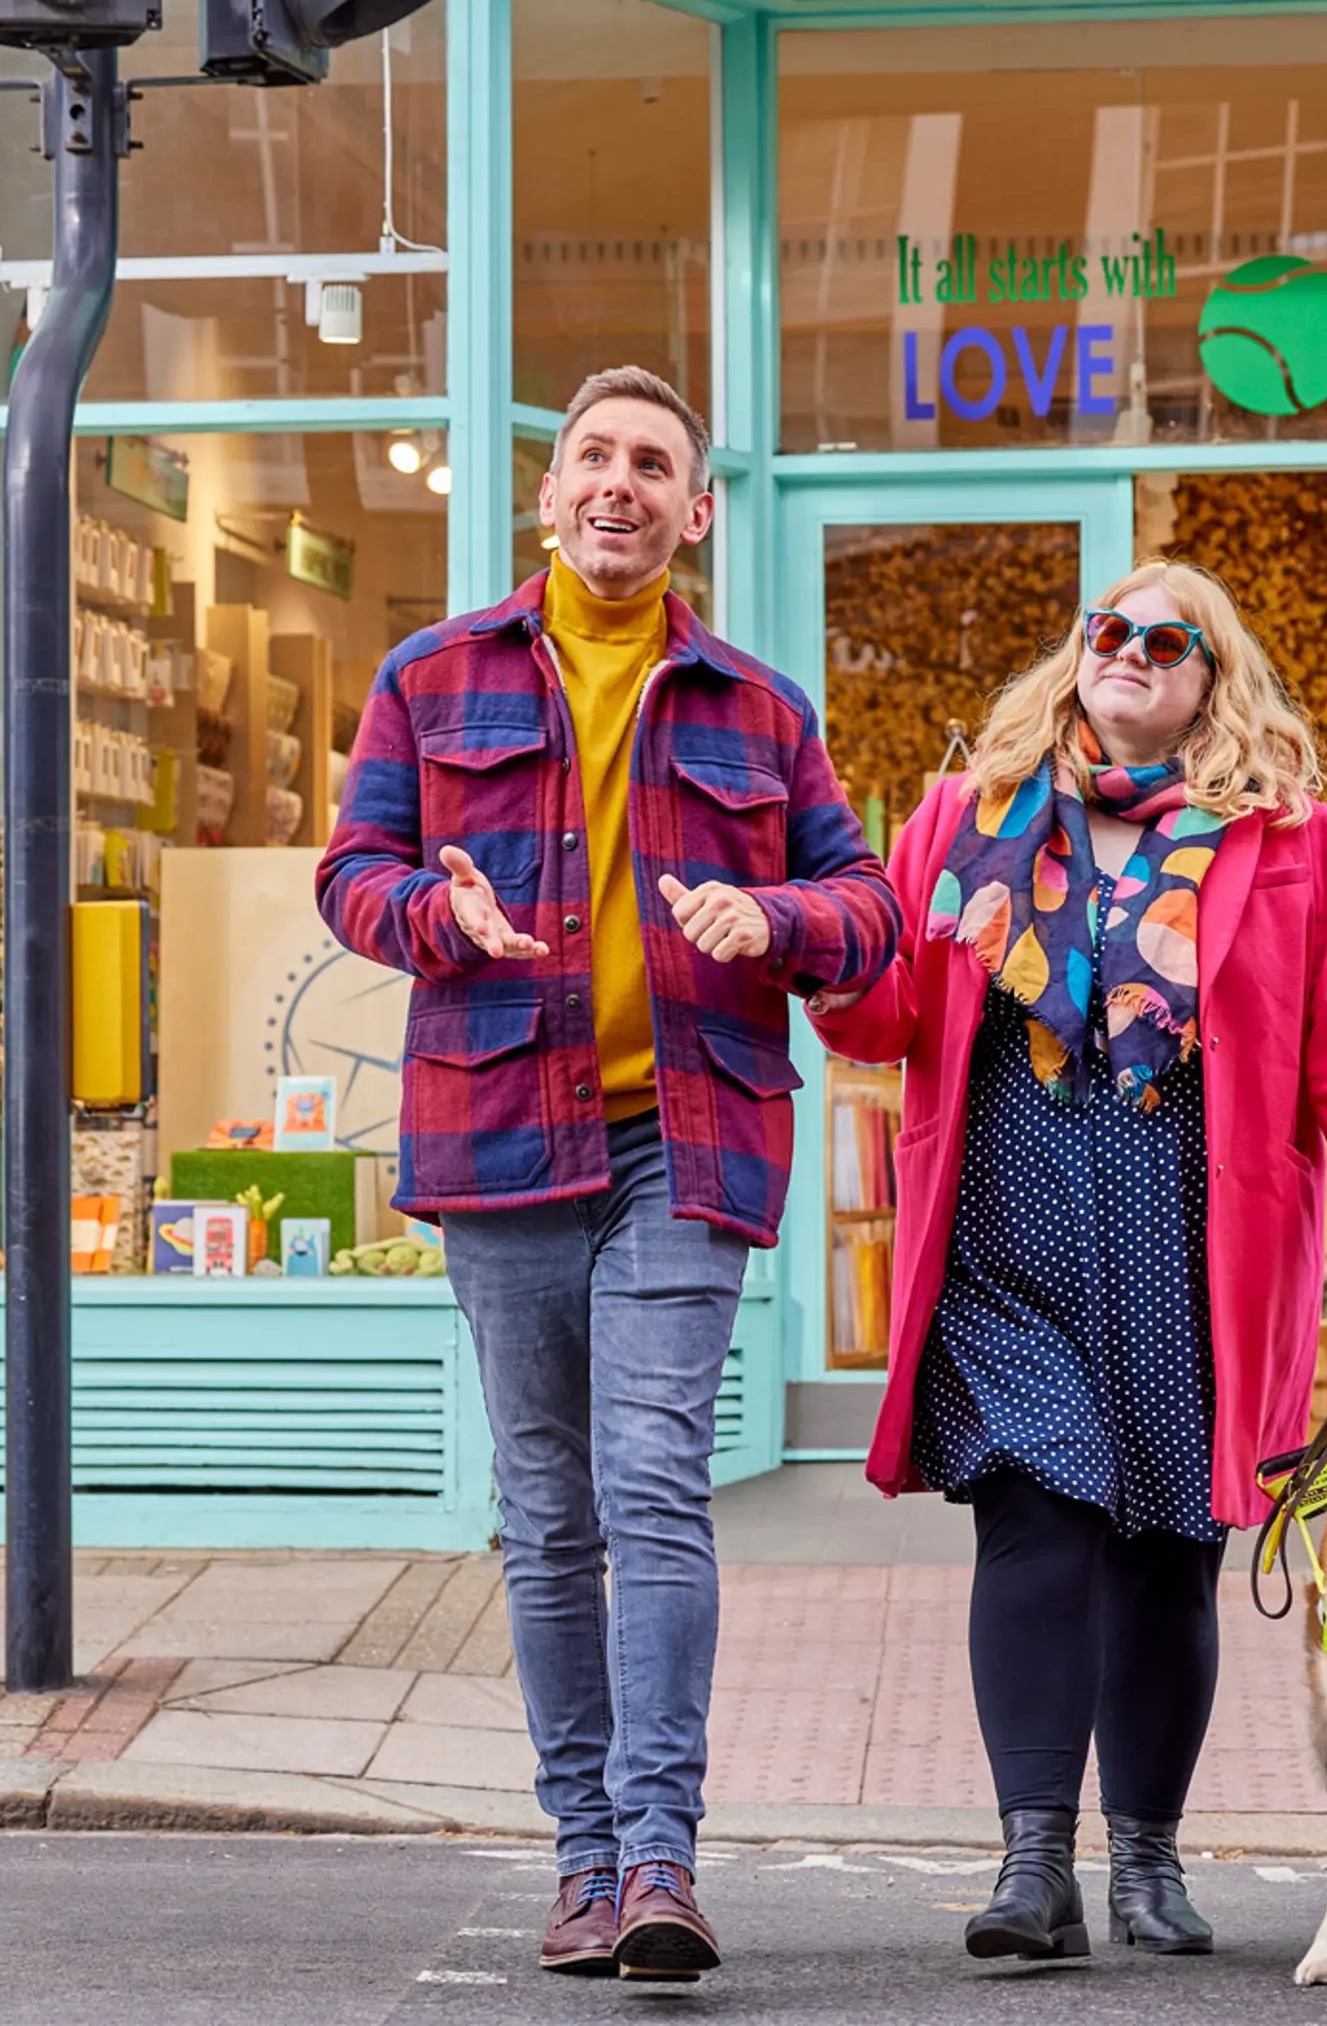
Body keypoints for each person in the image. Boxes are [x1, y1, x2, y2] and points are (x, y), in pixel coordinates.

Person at [318, 367, 902, 1984]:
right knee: (545, 1509)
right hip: (501, 1137)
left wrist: (773, 919)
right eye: (595, 457)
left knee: (651, 1483)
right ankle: (580, 1860)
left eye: (655, 463)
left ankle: (658, 1860)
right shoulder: (431, 681)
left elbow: (868, 907)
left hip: (681, 1138)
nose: (620, 482)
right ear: (552, 492)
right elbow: (350, 873)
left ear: (695, 511)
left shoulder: (762, 712)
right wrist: (437, 920)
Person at [808, 562, 1327, 1961]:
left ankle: (1147, 1856)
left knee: (1166, 1549)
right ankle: (1035, 1862)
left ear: (1215, 682)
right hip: (1008, 1222)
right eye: (1113, 633)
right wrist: (815, 957)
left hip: (1195, 1240)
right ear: (1077, 658)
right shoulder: (963, 819)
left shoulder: (1286, 843)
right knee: (1037, 1514)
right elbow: (886, 1013)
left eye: (1173, 642)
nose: (1135, 654)